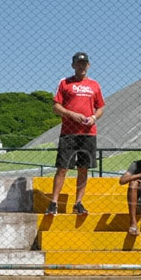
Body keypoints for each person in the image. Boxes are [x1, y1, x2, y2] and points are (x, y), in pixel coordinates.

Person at [45, 51, 105, 216]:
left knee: (83, 169)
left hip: (88, 133)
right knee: (62, 168)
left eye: (84, 63)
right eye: (78, 63)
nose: (82, 66)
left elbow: (100, 108)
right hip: (69, 132)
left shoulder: (95, 85)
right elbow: (56, 107)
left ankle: (78, 203)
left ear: (89, 65)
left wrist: (93, 118)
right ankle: (54, 203)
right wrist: (72, 114)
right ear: (73, 65)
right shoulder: (65, 82)